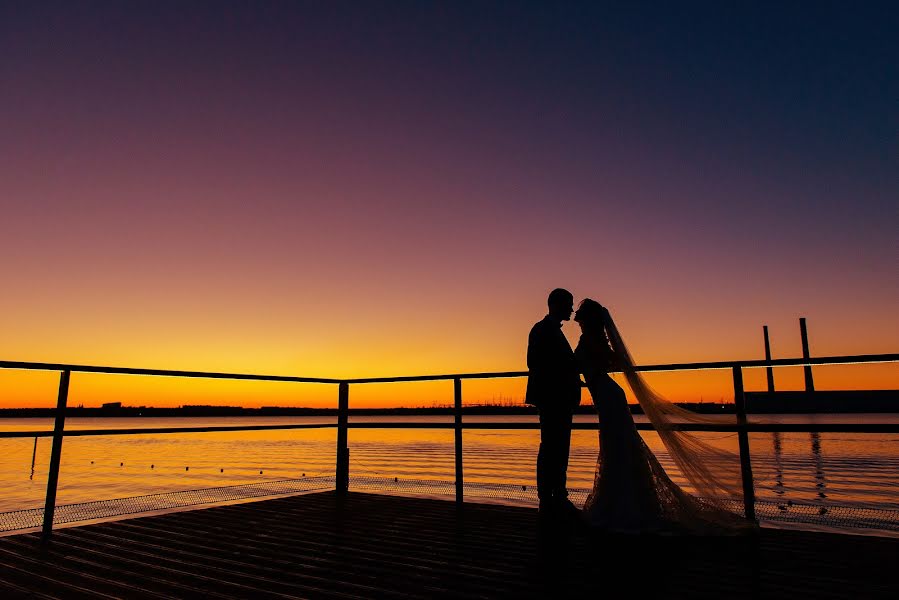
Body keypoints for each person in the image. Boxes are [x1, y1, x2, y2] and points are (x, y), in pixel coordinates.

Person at [573, 298, 755, 534]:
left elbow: (583, 364)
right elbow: (605, 362)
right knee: (620, 447)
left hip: (607, 396)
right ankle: (631, 502)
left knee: (617, 447)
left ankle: (620, 505)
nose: (578, 322)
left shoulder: (588, 340)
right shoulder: (593, 340)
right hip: (608, 394)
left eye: (581, 319)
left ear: (587, 320)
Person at [526, 288, 583, 518]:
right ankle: (550, 499)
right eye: (568, 304)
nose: (571, 309)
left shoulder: (547, 330)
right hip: (553, 399)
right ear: (556, 305)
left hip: (558, 398)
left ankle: (555, 496)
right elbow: (535, 362)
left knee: (557, 448)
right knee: (553, 448)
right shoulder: (542, 330)